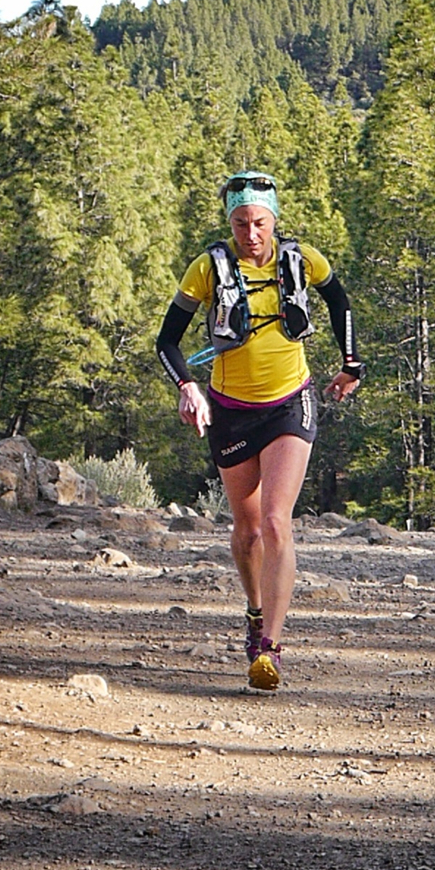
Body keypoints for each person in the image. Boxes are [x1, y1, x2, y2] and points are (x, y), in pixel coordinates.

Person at [156, 171, 363, 691]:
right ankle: (254, 612)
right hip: (230, 410)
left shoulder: (302, 259)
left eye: (260, 223)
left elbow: (339, 301)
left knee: (275, 521)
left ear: (274, 221)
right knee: (247, 532)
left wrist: (351, 364)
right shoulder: (207, 268)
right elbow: (167, 341)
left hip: (291, 403)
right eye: (241, 223)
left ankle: (269, 648)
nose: (251, 234)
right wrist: (187, 387)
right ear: (230, 223)